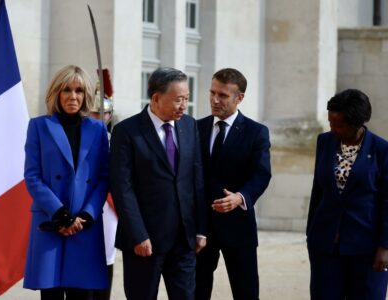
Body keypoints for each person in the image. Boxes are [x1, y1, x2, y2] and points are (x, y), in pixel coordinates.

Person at [110, 67, 207, 300]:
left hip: (184, 240)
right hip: (145, 242)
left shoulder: (189, 126)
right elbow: (123, 188)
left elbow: (197, 179)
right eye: (178, 99)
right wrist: (138, 235)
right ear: (155, 98)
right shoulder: (127, 131)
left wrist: (201, 228)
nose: (184, 105)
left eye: (186, 98)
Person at [23, 65, 109, 300]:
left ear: (86, 95)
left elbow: (103, 177)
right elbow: (32, 176)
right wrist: (61, 214)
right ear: (56, 94)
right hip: (51, 224)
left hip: (84, 226)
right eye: (67, 90)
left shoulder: (98, 129)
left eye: (79, 91)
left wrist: (86, 216)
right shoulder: (38, 126)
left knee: (82, 295)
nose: (73, 96)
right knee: (50, 295)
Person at [306, 89, 388, 300]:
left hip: (366, 248)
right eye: (330, 121)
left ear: (356, 123)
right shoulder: (325, 142)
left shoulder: (384, 150)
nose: (332, 128)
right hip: (325, 244)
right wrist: (311, 233)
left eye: (337, 124)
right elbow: (318, 190)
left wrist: (385, 246)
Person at [195, 68, 271, 300]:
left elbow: (261, 174)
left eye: (223, 95)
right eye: (212, 92)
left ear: (240, 98)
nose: (215, 100)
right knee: (196, 291)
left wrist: (240, 197)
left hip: (238, 225)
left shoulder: (256, 132)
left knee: (245, 291)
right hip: (201, 226)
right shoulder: (195, 128)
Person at [89, 69, 117, 300]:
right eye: (94, 114)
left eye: (103, 114)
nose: (99, 118)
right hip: (83, 203)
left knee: (106, 255)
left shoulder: (116, 140)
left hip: (108, 204)